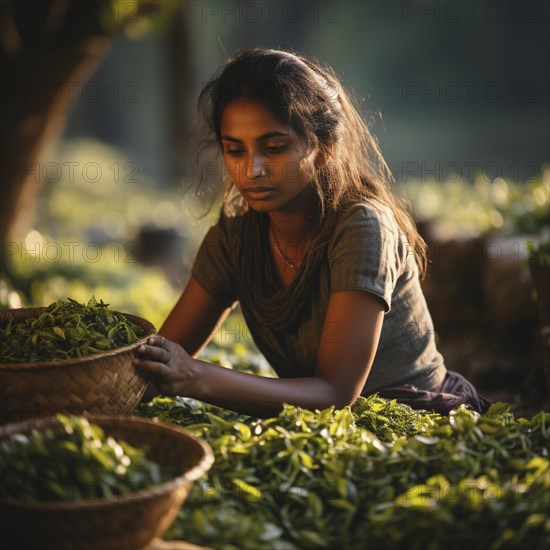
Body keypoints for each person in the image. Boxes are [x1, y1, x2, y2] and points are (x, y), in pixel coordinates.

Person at [133, 48, 491, 417]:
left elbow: (336, 394)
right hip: (314, 423)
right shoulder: (237, 232)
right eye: (235, 150)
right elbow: (165, 350)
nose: (252, 170)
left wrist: (194, 376)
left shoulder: (361, 227)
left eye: (274, 148)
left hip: (409, 419)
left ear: (325, 148)